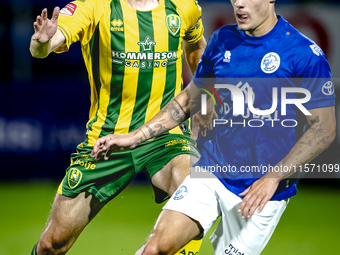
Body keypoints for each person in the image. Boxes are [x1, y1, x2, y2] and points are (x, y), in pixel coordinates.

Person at [91, 0, 336, 254]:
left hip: (261, 193)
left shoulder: (304, 53)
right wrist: (135, 137)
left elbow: (324, 128)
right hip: (211, 172)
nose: (239, 4)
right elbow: (189, 99)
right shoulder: (221, 41)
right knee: (153, 250)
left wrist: (273, 177)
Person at [29, 0, 207, 254]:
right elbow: (45, 45)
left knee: (196, 189)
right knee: (51, 245)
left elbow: (196, 46)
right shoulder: (94, 6)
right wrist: (41, 42)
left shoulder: (183, 6)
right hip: (107, 140)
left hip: (165, 135)